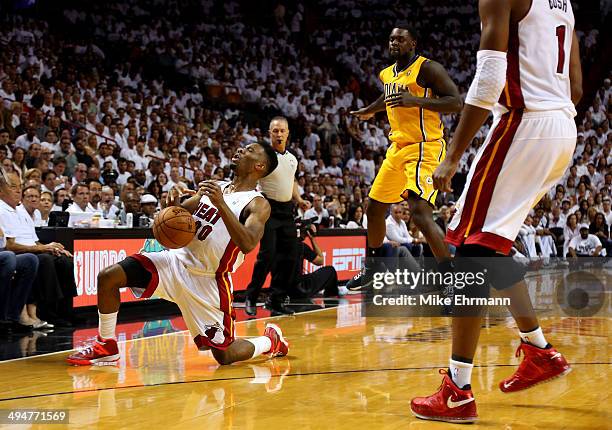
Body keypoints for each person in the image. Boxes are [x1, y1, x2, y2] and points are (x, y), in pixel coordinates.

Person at [413, 0, 582, 422]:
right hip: (562, 126)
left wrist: (453, 156)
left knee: (471, 249)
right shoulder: (562, 3)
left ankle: (458, 389)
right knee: (493, 243)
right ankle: (539, 350)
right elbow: (575, 88)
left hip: (525, 123)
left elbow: (489, 79)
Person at [66, 142, 289, 366]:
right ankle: (106, 346)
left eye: (250, 151)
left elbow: (249, 243)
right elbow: (179, 213)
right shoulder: (216, 186)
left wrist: (220, 204)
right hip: (174, 262)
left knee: (225, 355)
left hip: (207, 280)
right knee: (108, 277)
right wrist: (171, 204)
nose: (241, 150)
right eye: (242, 147)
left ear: (259, 166)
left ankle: (270, 341)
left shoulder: (258, 203)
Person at [347, 26, 462, 290]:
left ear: (412, 43)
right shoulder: (388, 73)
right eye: (391, 38)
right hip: (397, 148)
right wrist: (369, 110)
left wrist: (415, 101)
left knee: (420, 214)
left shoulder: (428, 69)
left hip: (425, 147)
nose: (395, 42)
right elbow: (389, 96)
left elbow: (455, 102)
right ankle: (373, 268)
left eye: (400, 38)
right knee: (374, 208)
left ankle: (452, 281)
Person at [245, 117, 307, 316]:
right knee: (267, 255)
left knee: (289, 257)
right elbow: (249, 175)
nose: (279, 134)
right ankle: (251, 297)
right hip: (268, 209)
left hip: (287, 210)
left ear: (288, 133)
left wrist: (298, 198)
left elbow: (292, 181)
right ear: (269, 133)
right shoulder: (263, 155)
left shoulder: (292, 158)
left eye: (282, 131)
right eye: (275, 131)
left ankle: (276, 300)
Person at [0, 171, 76, 326]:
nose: (17, 190)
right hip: (17, 252)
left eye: (19, 187)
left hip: (26, 250)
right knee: (42, 259)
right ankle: (45, 311)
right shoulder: (5, 210)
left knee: (64, 260)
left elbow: (35, 241)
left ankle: (65, 310)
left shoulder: (18, 211)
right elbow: (9, 245)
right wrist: (44, 249)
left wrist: (52, 247)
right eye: (13, 187)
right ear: (1, 190)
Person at [291, 224, 338, 299]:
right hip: (300, 289)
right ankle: (332, 300)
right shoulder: (301, 246)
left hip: (282, 290)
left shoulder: (278, 245)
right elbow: (320, 261)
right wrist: (312, 239)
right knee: (331, 271)